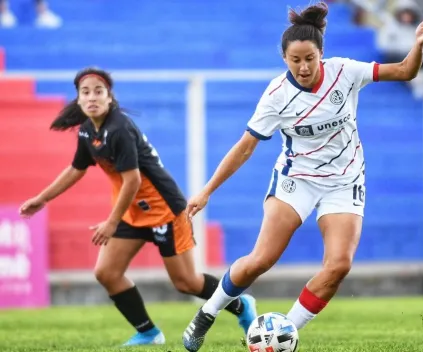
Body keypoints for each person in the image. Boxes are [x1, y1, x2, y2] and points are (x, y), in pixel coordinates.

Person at [182, 2, 423, 351]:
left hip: (344, 182)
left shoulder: (346, 71)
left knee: (338, 266)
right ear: (285, 59)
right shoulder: (276, 96)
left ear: (321, 54)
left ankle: (284, 333)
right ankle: (208, 313)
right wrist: (206, 191)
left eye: (309, 59)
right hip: (295, 180)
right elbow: (244, 147)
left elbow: (406, 72)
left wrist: (419, 45)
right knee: (261, 260)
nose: (303, 67)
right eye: (295, 60)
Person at [18, 67, 257, 346]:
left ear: (110, 98)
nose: (92, 97)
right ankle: (148, 333)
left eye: (99, 91)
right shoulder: (87, 131)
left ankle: (242, 306)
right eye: (86, 92)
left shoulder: (119, 129)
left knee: (186, 283)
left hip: (164, 210)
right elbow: (76, 169)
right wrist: (42, 198)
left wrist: (110, 222)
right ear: (79, 99)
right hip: (131, 212)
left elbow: (133, 181)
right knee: (106, 273)